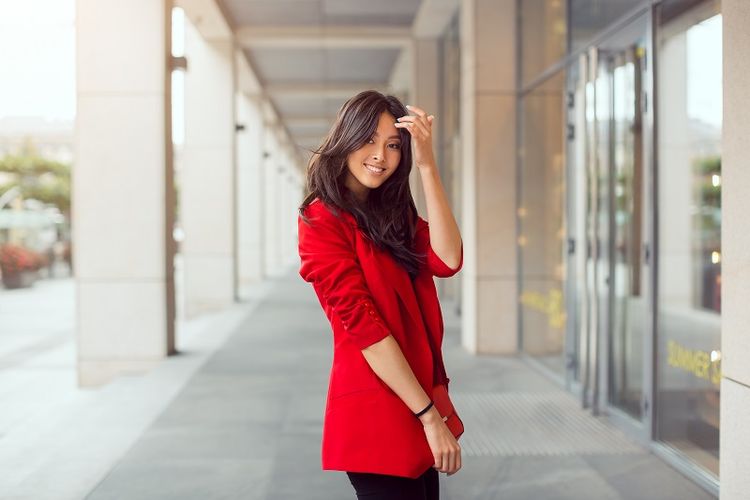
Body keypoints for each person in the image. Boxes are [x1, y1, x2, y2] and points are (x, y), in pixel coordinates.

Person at [297, 90, 463, 500]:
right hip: (378, 408)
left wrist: (427, 166)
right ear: (346, 139)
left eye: (393, 145)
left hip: (414, 395)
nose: (381, 155)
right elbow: (364, 328)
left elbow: (448, 258)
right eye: (368, 140)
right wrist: (428, 417)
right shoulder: (321, 218)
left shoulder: (391, 213)